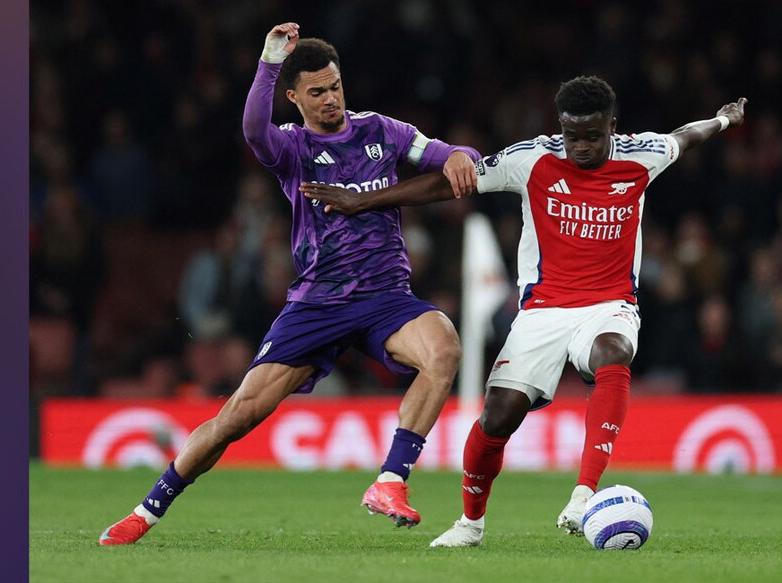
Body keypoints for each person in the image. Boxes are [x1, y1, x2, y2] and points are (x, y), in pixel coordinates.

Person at [302, 76, 746, 547]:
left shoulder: (642, 154)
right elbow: (449, 184)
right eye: (572, 135)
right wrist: (363, 201)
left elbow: (686, 136)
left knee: (612, 352)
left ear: (612, 127)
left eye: (593, 136)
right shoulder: (530, 159)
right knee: (498, 416)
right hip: (542, 312)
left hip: (609, 304)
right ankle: (470, 524)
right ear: (561, 126)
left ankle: (582, 494)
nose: (580, 146)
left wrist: (723, 120)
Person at [99, 21, 480, 545]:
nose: (331, 100)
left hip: (386, 297)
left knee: (444, 350)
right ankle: (146, 511)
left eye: (336, 87)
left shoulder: (382, 131)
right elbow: (255, 131)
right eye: (318, 92)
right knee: (238, 416)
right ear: (295, 97)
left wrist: (461, 154)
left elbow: (452, 155)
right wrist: (267, 64)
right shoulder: (292, 148)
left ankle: (391, 481)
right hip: (317, 303)